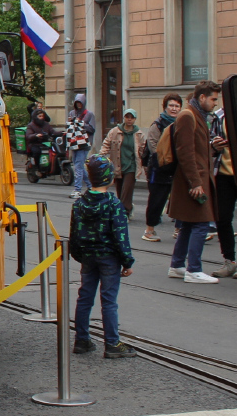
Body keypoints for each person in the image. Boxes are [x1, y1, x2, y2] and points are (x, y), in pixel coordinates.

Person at [69, 155, 138, 358]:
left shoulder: (79, 204)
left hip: (88, 257)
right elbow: (121, 236)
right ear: (108, 177)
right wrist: (127, 262)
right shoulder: (114, 204)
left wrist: (80, 256)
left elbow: (74, 235)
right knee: (108, 300)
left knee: (85, 297)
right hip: (109, 258)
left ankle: (81, 340)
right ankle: (112, 344)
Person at [168, 79, 222, 284]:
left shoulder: (196, 115)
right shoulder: (188, 115)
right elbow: (185, 152)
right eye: (213, 99)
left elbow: (196, 149)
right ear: (202, 97)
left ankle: (177, 265)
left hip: (194, 178)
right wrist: (195, 182)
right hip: (193, 180)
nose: (215, 103)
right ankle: (193, 269)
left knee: (190, 224)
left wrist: (214, 148)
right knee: (201, 224)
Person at [208, 107, 237, 280]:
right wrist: (214, 145)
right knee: (222, 218)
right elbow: (211, 140)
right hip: (223, 174)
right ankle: (229, 260)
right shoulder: (219, 116)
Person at [141, 94, 182, 242]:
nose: (174, 109)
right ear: (165, 107)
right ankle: (149, 230)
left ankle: (179, 229)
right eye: (171, 105)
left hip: (177, 168)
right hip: (159, 169)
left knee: (179, 199)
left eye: (177, 106)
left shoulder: (181, 123)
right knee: (157, 200)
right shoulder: (157, 125)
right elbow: (154, 148)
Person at [100, 108, 144, 216]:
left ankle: (124, 213)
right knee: (120, 191)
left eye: (132, 118)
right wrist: (100, 156)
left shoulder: (139, 134)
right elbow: (106, 144)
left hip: (131, 167)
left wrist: (145, 164)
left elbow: (143, 149)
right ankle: (127, 207)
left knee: (126, 191)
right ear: (124, 118)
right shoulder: (115, 131)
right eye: (127, 117)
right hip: (118, 166)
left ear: (135, 119)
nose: (129, 120)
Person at [65, 93, 96, 199]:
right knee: (79, 165)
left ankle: (77, 189)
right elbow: (69, 127)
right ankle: (91, 186)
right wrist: (70, 122)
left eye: (80, 103)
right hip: (74, 142)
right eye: (77, 103)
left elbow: (92, 129)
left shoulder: (89, 114)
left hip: (84, 143)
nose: (78, 105)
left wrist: (81, 123)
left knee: (78, 165)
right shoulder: (72, 113)